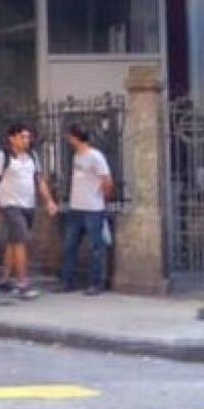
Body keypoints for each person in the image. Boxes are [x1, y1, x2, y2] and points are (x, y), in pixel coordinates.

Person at [0, 124, 59, 298]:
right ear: (12, 138)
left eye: (28, 137)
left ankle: (4, 278)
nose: (26, 140)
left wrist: (49, 200)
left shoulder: (32, 156)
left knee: (13, 241)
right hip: (10, 204)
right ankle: (22, 283)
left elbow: (39, 180)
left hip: (28, 204)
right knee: (21, 241)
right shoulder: (2, 156)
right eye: (22, 137)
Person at [59, 124, 114, 295]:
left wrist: (103, 199)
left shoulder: (95, 156)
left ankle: (95, 283)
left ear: (76, 137)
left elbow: (107, 181)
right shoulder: (77, 156)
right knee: (69, 245)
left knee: (95, 247)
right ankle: (68, 280)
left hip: (93, 208)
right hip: (76, 207)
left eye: (70, 136)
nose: (68, 139)